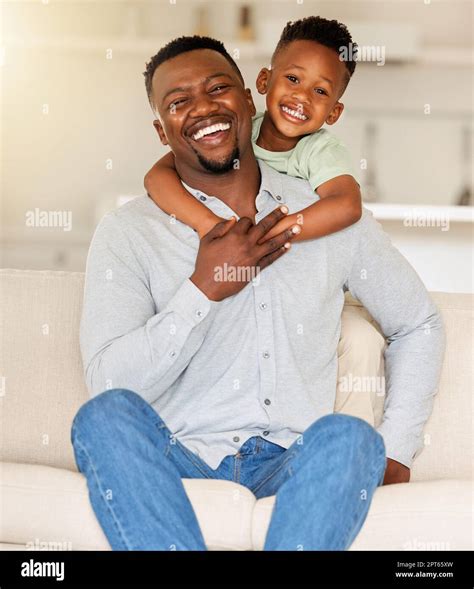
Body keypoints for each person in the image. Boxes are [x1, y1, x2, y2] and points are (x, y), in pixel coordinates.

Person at [72, 34, 445, 551]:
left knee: (351, 437)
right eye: (179, 102)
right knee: (102, 419)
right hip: (180, 459)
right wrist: (203, 289)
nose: (204, 108)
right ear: (163, 130)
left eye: (218, 88)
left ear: (250, 99)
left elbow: (418, 323)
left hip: (289, 462)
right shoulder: (128, 232)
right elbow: (111, 383)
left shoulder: (322, 215)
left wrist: (399, 449)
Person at [144, 17, 385, 425]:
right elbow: (157, 177)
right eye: (292, 79)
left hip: (326, 281)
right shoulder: (237, 128)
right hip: (269, 278)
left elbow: (346, 205)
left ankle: (353, 443)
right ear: (262, 83)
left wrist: (271, 231)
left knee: (360, 339)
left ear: (334, 111)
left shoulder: (319, 151)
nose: (302, 97)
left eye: (321, 91)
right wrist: (209, 226)